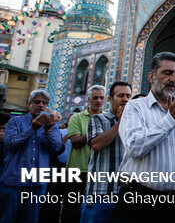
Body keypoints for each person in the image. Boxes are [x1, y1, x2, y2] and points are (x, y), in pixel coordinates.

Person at [112, 52, 175, 223]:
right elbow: (135, 147)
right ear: (151, 77)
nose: (173, 79)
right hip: (140, 199)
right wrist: (172, 119)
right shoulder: (135, 107)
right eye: (167, 73)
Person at [0, 89, 62, 223]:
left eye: (44, 103)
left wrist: (47, 131)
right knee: (7, 218)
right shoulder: (15, 121)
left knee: (30, 220)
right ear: (29, 105)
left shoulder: (51, 125)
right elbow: (10, 143)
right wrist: (32, 129)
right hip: (14, 182)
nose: (41, 105)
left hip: (37, 184)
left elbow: (56, 148)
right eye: (37, 102)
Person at [79, 81, 132, 223]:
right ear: (110, 99)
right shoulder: (98, 119)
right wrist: (120, 123)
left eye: (128, 96)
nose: (125, 99)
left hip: (125, 193)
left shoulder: (135, 122)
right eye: (120, 95)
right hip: (101, 193)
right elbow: (96, 144)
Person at [63, 85, 106, 223]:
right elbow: (75, 142)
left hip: (97, 171)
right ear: (88, 99)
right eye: (95, 98)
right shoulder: (77, 118)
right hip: (77, 170)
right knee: (71, 208)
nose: (98, 101)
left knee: (92, 209)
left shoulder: (106, 118)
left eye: (101, 98)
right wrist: (95, 132)